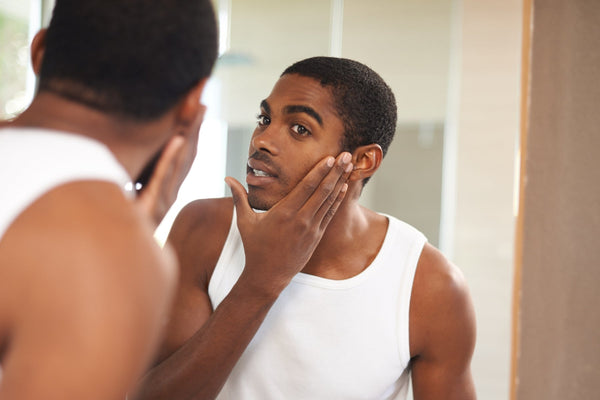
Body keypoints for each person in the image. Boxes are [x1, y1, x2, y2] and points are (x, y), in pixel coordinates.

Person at [0, 1, 351, 399]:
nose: (265, 139)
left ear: (39, 52)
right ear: (192, 104)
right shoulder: (109, 249)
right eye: (264, 120)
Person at [138, 57, 477, 400]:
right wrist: (260, 282)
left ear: (362, 162)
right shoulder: (205, 229)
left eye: (299, 128)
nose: (262, 140)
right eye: (264, 119)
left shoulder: (430, 286)